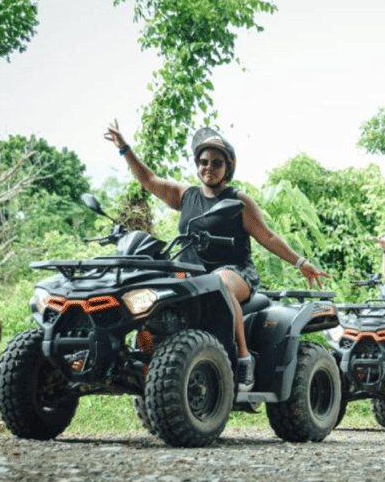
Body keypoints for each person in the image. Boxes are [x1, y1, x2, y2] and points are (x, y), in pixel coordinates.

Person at [104, 120, 330, 391]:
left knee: (219, 283)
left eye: (216, 163)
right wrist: (124, 148)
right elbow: (148, 179)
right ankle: (148, 360)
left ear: (228, 167)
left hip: (234, 272)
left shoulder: (238, 200)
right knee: (146, 293)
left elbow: (267, 236)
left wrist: (301, 262)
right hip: (190, 275)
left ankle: (244, 359)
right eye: (203, 162)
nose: (208, 168)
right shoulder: (184, 195)